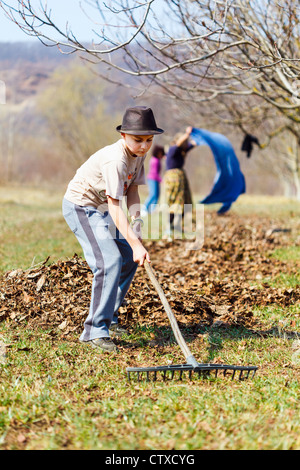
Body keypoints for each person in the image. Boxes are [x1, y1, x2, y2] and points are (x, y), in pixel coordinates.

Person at [62, 106, 164, 352]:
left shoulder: (138, 156)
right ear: (123, 136)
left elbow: (133, 191)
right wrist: (137, 244)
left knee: (127, 257)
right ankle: (95, 331)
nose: (143, 146)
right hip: (82, 207)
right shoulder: (115, 160)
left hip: (102, 208)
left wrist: (136, 229)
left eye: (149, 140)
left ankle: (110, 318)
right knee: (109, 262)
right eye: (138, 140)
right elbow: (116, 207)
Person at [164, 126, 195, 236]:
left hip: (181, 178)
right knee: (174, 203)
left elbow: (194, 144)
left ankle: (176, 225)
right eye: (185, 141)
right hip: (173, 179)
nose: (187, 143)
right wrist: (187, 134)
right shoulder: (173, 149)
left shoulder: (182, 150)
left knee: (185, 203)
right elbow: (179, 143)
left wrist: (198, 135)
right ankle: (169, 227)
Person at [141, 144, 165, 215]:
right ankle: (144, 208)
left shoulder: (157, 159)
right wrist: (161, 180)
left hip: (155, 179)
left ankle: (151, 210)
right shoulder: (155, 161)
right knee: (153, 195)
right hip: (152, 179)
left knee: (157, 195)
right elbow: (154, 173)